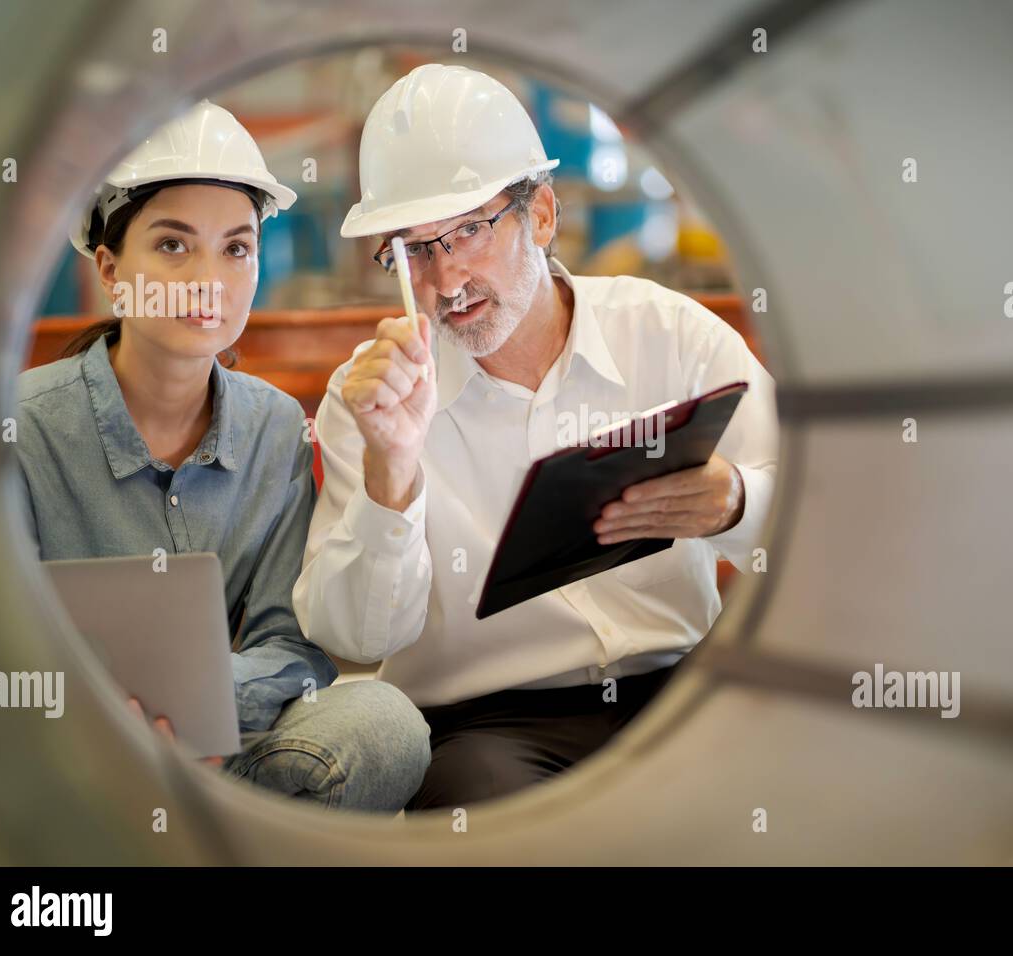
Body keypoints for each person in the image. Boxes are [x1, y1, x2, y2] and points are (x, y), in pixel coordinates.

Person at [294, 65, 778, 811]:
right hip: (487, 728)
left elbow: (827, 523)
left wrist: (737, 501)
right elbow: (356, 638)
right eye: (414, 249)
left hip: (680, 690)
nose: (447, 277)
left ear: (542, 215)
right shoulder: (371, 399)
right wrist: (393, 476)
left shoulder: (670, 336)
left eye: (467, 232)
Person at [14, 100, 430, 811]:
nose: (210, 277)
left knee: (384, 728)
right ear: (111, 270)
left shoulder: (272, 426)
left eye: (236, 247)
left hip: (222, 748)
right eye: (173, 245)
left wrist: (202, 709)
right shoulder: (22, 426)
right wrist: (104, 715)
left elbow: (288, 644)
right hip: (63, 761)